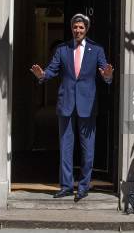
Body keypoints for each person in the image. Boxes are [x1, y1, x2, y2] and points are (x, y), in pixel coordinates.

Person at [30, 13, 114, 201]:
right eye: (75, 27)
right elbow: (51, 70)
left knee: (88, 149)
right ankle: (67, 186)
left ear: (86, 29)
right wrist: (41, 75)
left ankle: (84, 187)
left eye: (81, 27)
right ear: (71, 28)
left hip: (87, 105)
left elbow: (105, 74)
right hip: (66, 104)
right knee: (66, 147)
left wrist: (107, 75)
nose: (78, 30)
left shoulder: (96, 49)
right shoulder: (62, 49)